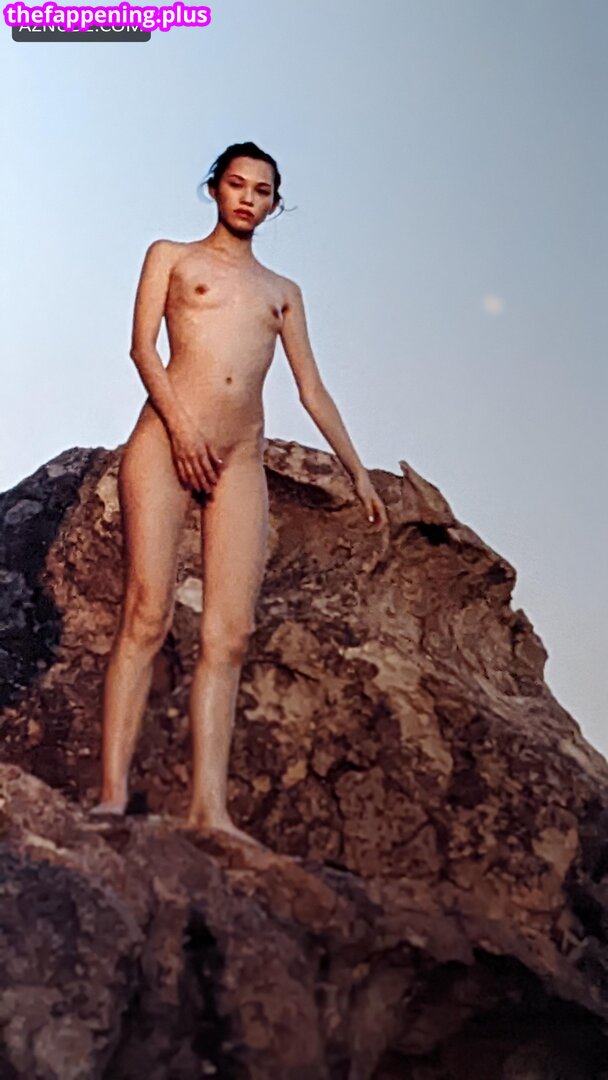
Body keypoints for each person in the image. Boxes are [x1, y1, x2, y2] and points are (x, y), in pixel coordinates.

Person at [90, 140, 388, 847]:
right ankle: (111, 796)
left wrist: (357, 470)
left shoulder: (283, 292)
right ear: (215, 189)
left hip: (241, 459)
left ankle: (209, 810)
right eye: (237, 184)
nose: (248, 198)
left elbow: (311, 388)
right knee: (146, 613)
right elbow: (142, 349)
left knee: (230, 634)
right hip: (167, 442)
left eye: (262, 190)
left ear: (275, 204)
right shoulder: (171, 257)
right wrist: (181, 429)